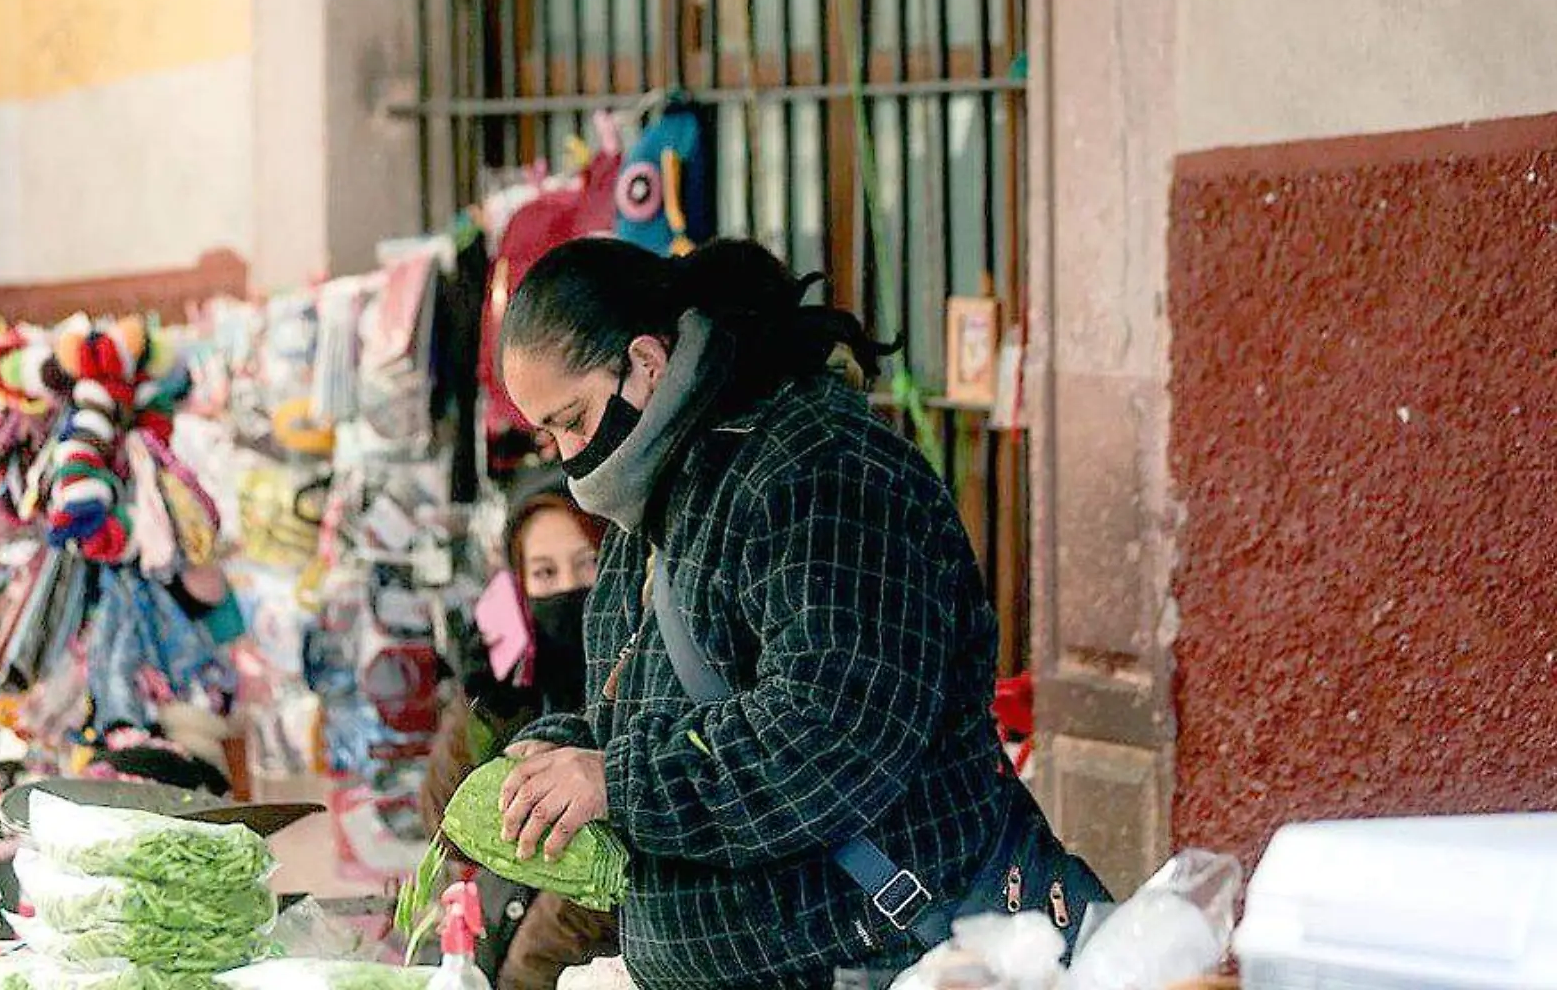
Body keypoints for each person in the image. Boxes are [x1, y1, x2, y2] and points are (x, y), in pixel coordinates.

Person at [491, 238, 1109, 990]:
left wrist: (615, 781)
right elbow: (633, 716)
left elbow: (832, 735)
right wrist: (558, 756)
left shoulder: (823, 471)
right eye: (548, 435)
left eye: (573, 419)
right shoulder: (645, 510)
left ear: (647, 363)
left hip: (901, 960)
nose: (567, 456)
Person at [421, 471, 621, 990]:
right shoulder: (526, 685)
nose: (568, 590)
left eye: (589, 564)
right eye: (544, 574)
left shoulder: (639, 679)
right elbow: (449, 831)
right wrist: (480, 707)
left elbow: (595, 894)